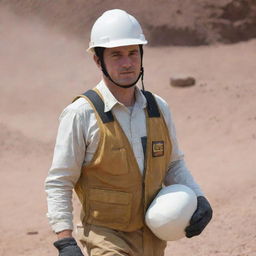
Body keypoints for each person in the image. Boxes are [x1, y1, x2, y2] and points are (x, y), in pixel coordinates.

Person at [45, 9, 212, 256]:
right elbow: (60, 181)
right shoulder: (81, 114)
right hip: (106, 237)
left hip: (153, 239)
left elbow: (172, 165)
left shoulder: (158, 108)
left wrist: (199, 198)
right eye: (116, 55)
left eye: (133, 53)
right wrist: (65, 241)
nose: (127, 63)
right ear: (98, 60)